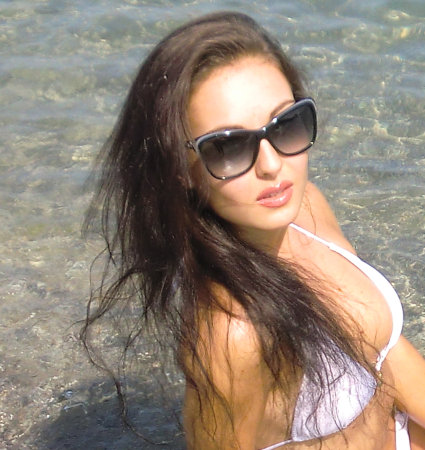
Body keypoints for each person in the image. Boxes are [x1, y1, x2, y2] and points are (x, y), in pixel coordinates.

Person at [82, 11, 425, 449]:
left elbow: (382, 353)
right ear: (181, 170)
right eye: (228, 147)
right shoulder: (232, 335)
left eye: (286, 124)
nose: (272, 165)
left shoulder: (306, 209)